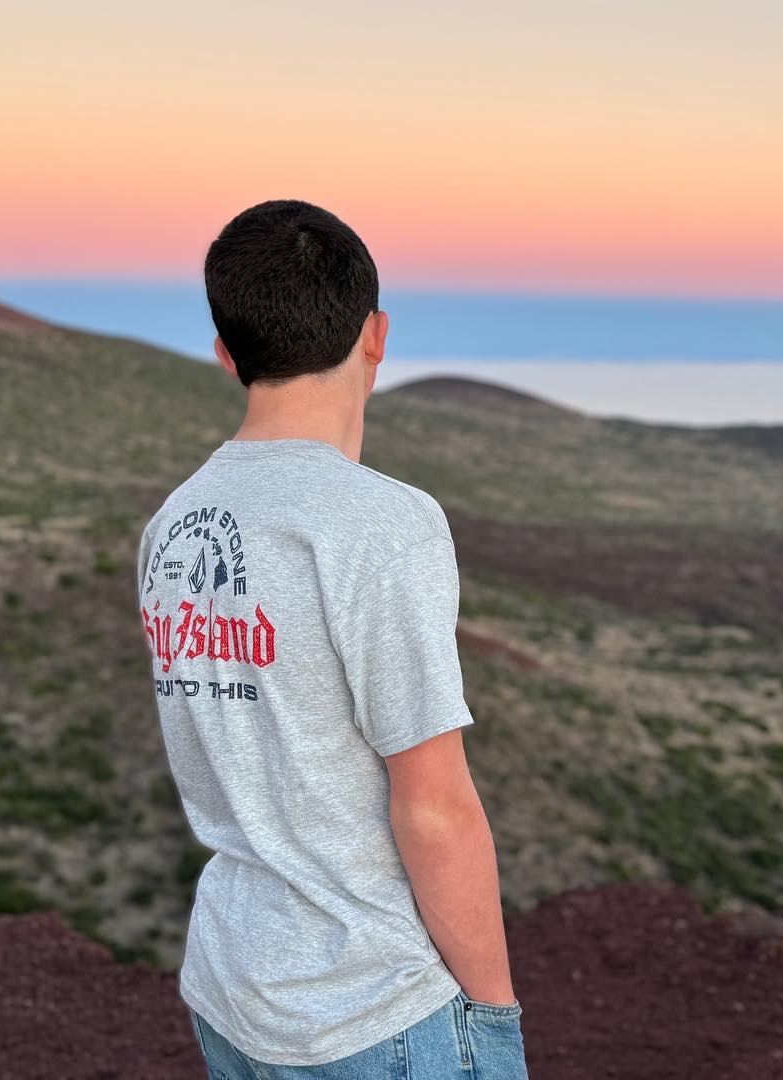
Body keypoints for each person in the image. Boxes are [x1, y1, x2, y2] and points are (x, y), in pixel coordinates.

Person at [135, 199, 528, 1079]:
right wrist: (493, 1016)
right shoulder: (381, 524)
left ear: (227, 353)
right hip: (369, 1005)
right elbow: (434, 806)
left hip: (233, 988)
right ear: (375, 335)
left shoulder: (174, 523)